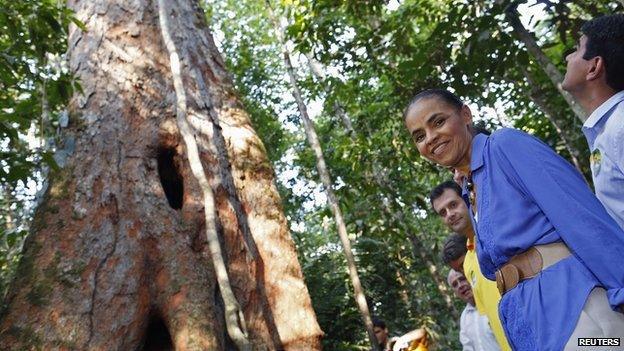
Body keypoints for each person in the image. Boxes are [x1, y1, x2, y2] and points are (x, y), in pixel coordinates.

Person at [404, 88, 624, 350]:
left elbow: (580, 215)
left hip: (578, 315)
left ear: (465, 114)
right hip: (533, 329)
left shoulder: (504, 146)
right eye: (419, 136)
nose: (430, 138)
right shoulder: (471, 189)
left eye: (438, 122)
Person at [562, 14, 624, 229]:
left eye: (577, 49)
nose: (568, 57)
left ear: (594, 67)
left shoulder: (620, 126)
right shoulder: (607, 129)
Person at [432, 181, 511, 351]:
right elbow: (493, 318)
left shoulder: (499, 233)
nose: (450, 214)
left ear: (468, 198)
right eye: (443, 213)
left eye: (453, 205)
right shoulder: (468, 264)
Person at [448, 269, 501, 351]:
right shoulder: (464, 318)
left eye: (462, 279)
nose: (460, 286)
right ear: (455, 293)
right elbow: (467, 347)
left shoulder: (494, 301)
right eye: (455, 284)